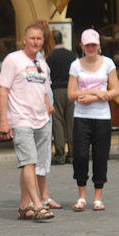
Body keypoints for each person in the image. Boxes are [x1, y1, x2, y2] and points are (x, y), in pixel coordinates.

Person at [0, 23, 56, 221]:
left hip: (42, 120)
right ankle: (37, 205)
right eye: (32, 38)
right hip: (21, 119)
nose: (36, 42)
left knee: (33, 163)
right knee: (28, 161)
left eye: (39, 39)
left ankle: (23, 207)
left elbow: (45, 90)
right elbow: (3, 90)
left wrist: (47, 109)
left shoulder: (42, 63)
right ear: (24, 39)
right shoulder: (13, 59)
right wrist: (4, 121)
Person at [67, 28, 119, 212]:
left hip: (102, 116)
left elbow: (116, 90)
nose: (91, 48)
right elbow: (71, 93)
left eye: (94, 45)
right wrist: (94, 92)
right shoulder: (76, 65)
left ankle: (98, 196)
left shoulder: (108, 63)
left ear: (99, 45)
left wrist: (96, 97)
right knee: (80, 155)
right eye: (87, 45)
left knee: (100, 156)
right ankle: (81, 195)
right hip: (81, 116)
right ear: (82, 46)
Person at [46, 29, 77, 165]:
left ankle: (60, 154)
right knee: (71, 121)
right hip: (71, 90)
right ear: (62, 41)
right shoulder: (71, 55)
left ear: (51, 42)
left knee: (57, 121)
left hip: (57, 90)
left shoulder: (50, 57)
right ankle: (72, 153)